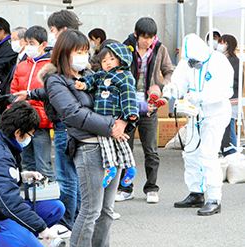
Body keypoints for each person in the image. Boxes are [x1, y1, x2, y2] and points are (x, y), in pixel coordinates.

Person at [39, 29, 127, 247]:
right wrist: (112, 124)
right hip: (88, 147)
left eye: (86, 52)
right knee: (90, 211)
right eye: (78, 52)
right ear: (64, 53)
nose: (84, 57)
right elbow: (74, 114)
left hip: (111, 146)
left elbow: (116, 95)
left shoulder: (89, 74)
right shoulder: (56, 80)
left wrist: (126, 120)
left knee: (107, 211)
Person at [13, 11, 83, 235]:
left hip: (64, 124)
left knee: (64, 175)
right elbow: (53, 88)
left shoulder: (67, 59)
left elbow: (62, 90)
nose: (52, 34)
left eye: (53, 30)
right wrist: (31, 93)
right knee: (68, 174)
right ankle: (74, 217)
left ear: (63, 31)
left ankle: (68, 221)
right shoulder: (59, 59)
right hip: (63, 123)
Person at [162, 33, 234, 216]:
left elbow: (225, 89)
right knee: (191, 152)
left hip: (215, 113)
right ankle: (196, 192)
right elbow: (179, 80)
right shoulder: (188, 61)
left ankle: (214, 198)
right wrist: (172, 89)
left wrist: (201, 97)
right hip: (195, 113)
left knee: (208, 154)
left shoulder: (219, 61)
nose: (190, 61)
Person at [0, 101, 65, 247]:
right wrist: (44, 230)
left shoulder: (1, 141)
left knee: (56, 208)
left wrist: (22, 175)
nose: (31, 137)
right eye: (30, 134)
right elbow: (11, 204)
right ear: (18, 132)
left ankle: (21, 239)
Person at [115, 17, 174, 203]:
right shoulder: (126, 47)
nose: (147, 41)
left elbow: (169, 71)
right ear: (136, 34)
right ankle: (126, 188)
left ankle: (151, 188)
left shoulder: (160, 49)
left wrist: (160, 87)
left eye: (151, 37)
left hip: (150, 105)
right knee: (126, 148)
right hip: (128, 105)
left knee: (151, 150)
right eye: (144, 37)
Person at [75, 42, 139, 188]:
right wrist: (83, 85)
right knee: (113, 143)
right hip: (103, 118)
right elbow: (91, 81)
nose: (107, 63)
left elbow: (129, 96)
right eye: (104, 61)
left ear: (121, 59)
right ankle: (123, 167)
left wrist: (130, 114)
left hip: (114, 117)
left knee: (115, 142)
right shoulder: (101, 75)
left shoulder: (125, 76)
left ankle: (118, 167)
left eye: (111, 59)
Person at [10, 25, 55, 181]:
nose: (29, 46)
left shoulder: (50, 66)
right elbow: (13, 92)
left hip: (42, 123)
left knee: (44, 166)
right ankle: (31, 201)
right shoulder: (21, 65)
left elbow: (52, 94)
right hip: (22, 122)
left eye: (32, 43)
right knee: (27, 165)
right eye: (27, 42)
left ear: (43, 44)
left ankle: (48, 201)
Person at [217, 34, 241, 156]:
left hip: (230, 98)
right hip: (225, 96)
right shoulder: (222, 59)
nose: (220, 45)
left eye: (223, 43)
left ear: (228, 45)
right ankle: (230, 149)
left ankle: (232, 150)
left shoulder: (233, 60)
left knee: (229, 124)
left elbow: (237, 80)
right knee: (227, 123)